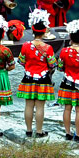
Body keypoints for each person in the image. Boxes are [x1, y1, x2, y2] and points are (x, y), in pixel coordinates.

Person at [18, 8, 57, 138]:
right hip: (43, 79)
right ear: (44, 31)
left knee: (28, 105)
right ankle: (39, 131)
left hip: (28, 77)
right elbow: (52, 64)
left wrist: (29, 66)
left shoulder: (25, 45)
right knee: (40, 106)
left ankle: (28, 130)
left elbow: (21, 61)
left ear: (33, 31)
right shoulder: (48, 48)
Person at [56, 19, 79, 142]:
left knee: (67, 108)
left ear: (70, 36)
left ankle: (67, 133)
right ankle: (78, 135)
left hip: (67, 82)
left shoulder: (64, 51)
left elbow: (60, 68)